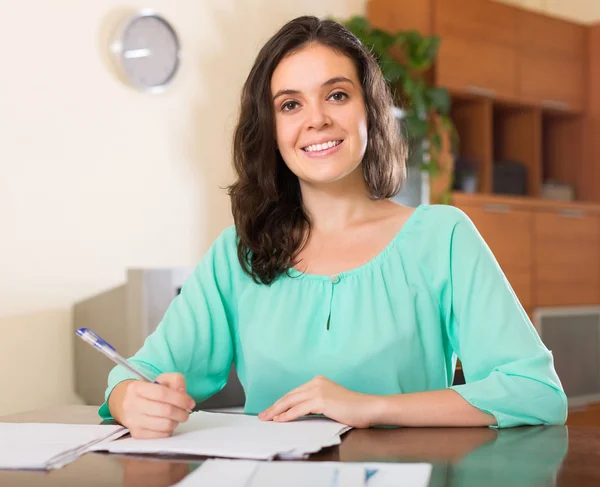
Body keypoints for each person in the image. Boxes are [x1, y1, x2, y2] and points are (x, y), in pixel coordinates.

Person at [100, 16, 567, 439]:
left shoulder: (442, 237)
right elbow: (140, 372)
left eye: (337, 95)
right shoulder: (238, 254)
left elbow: (534, 391)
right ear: (271, 128)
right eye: (290, 105)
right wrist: (128, 399)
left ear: (369, 108)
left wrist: (370, 407)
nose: (316, 119)